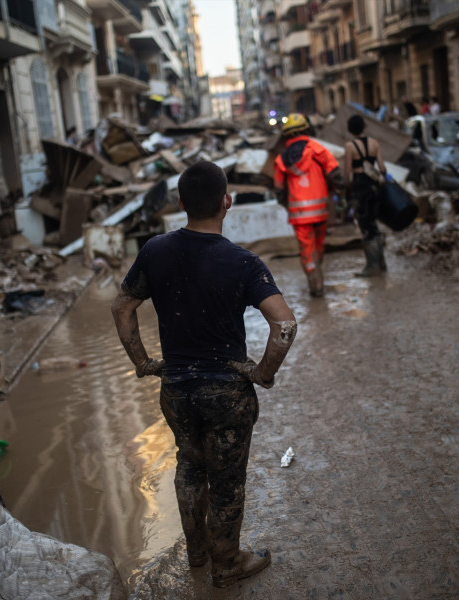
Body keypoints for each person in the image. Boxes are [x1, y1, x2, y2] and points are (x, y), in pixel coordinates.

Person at [111, 160, 297, 589]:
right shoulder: (243, 262)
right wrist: (262, 373)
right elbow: (285, 325)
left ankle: (197, 554)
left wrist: (143, 362)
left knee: (190, 468)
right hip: (226, 393)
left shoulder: (154, 250)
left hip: (176, 388)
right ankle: (227, 563)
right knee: (227, 480)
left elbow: (122, 306)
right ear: (226, 203)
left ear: (180, 204)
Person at [274, 113, 343, 297]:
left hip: (298, 214)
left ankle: (315, 286)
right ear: (306, 130)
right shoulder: (316, 149)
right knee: (318, 246)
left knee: (306, 249)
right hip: (320, 212)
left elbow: (279, 189)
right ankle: (318, 279)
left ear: (287, 135)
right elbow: (337, 175)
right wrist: (340, 195)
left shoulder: (282, 159)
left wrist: (288, 205)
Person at [343, 115, 389, 276]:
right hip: (374, 186)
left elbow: (347, 173)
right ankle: (382, 263)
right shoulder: (374, 143)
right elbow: (382, 168)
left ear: (350, 129)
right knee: (374, 223)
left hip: (360, 187)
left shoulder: (350, 146)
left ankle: (372, 265)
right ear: (364, 127)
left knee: (365, 225)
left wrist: (348, 191)